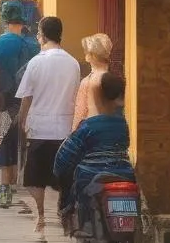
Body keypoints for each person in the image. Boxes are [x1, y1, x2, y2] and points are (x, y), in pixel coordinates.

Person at [16, 17, 81, 242]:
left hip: (39, 127)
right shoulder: (73, 63)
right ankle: (64, 212)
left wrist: (22, 121)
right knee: (64, 176)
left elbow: (27, 97)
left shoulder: (36, 62)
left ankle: (40, 216)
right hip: (65, 128)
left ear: (42, 35)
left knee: (35, 177)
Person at [54, 72, 132, 234]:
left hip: (91, 176)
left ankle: (76, 220)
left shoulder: (88, 126)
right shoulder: (127, 124)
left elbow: (66, 156)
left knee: (76, 193)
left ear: (98, 98)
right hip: (125, 175)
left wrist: (60, 172)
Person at [0, 1, 40, 208]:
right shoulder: (33, 45)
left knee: (4, 141)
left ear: (4, 21)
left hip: (3, 101)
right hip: (29, 101)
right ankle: (16, 181)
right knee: (22, 140)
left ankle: (5, 187)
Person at [73, 33, 114, 131]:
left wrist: (73, 135)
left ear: (92, 56)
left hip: (92, 133)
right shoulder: (114, 79)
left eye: (86, 52)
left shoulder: (87, 82)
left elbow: (80, 113)